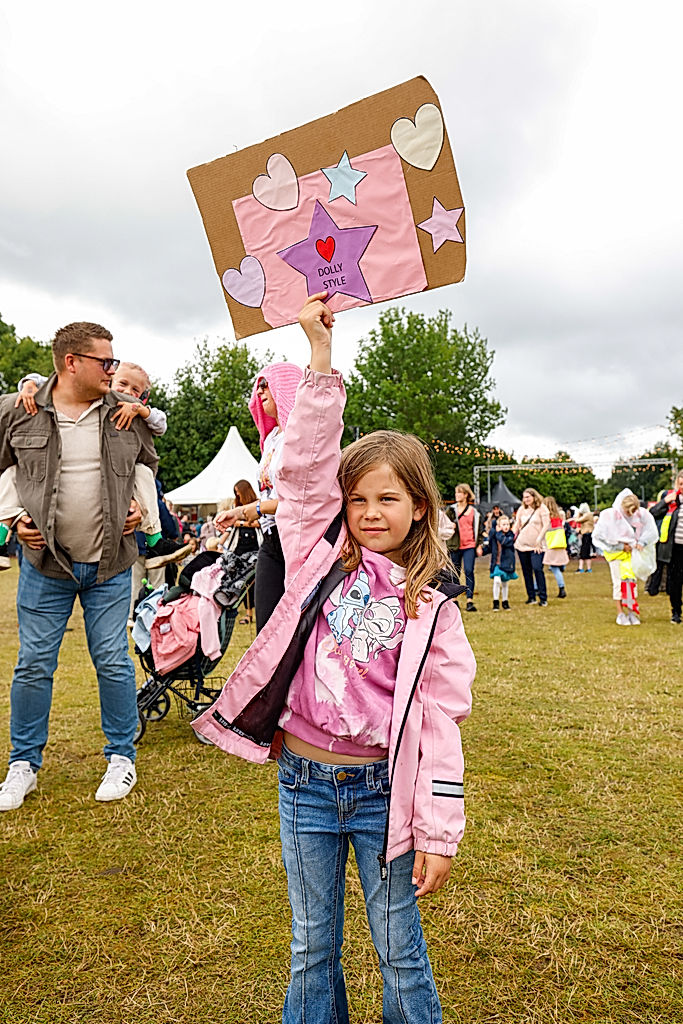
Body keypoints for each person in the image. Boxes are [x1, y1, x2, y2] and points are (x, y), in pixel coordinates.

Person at [193, 294, 476, 1024]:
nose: (370, 512)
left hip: (386, 795)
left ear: (421, 507)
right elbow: (306, 464)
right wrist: (317, 360)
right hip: (303, 788)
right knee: (311, 944)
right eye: (357, 499)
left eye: (389, 498)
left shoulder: (433, 606)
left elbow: (441, 722)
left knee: (397, 948)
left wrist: (438, 832)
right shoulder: (320, 557)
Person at [0, 322, 158, 812]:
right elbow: (4, 468)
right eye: (105, 362)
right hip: (45, 564)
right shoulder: (18, 410)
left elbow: (147, 466)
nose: (114, 370)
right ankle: (22, 765)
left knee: (111, 660)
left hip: (110, 564)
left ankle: (120, 756)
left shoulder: (126, 416)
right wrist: (10, 520)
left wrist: (140, 510)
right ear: (72, 363)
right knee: (33, 664)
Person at [214, 362, 303, 632]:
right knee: (266, 629)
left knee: (296, 630)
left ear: (286, 388)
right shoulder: (274, 437)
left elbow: (303, 501)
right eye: (258, 386)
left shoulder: (302, 438)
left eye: (266, 384)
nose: (259, 391)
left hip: (298, 541)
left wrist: (259, 509)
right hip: (272, 541)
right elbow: (271, 494)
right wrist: (239, 512)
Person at [592, 488, 658, 625]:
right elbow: (600, 537)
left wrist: (641, 542)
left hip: (631, 554)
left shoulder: (641, 515)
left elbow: (650, 531)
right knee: (618, 583)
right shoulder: (609, 516)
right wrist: (621, 546)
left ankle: (631, 612)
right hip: (616, 555)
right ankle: (620, 613)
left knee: (631, 583)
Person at [221, 479, 260, 625]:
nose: (237, 496)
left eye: (238, 493)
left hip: (255, 549)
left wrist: (241, 522)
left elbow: (258, 523)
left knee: (255, 584)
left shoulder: (258, 504)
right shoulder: (236, 506)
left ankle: (256, 614)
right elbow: (236, 524)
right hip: (239, 548)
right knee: (242, 583)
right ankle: (248, 614)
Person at [646, 471, 683, 623]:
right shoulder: (672, 501)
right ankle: (676, 612)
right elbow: (652, 513)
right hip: (674, 548)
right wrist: (665, 502)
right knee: (675, 581)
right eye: (680, 484)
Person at [445, 483, 484, 612]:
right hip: (454, 545)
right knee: (454, 573)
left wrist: (479, 545)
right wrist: (450, 526)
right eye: (456, 493)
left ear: (466, 494)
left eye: (459, 493)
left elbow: (479, 530)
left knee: (469, 571)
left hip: (469, 545)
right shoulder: (451, 510)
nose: (457, 495)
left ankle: (469, 600)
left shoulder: (474, 512)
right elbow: (443, 524)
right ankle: (454, 600)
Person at [513, 487, 550, 606]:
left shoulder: (542, 509)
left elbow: (546, 525)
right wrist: (509, 536)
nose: (526, 499)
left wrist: (539, 539)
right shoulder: (521, 509)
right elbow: (517, 525)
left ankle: (543, 597)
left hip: (537, 546)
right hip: (522, 545)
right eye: (524, 497)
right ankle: (531, 596)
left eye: (528, 497)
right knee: (526, 571)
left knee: (538, 568)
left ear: (534, 497)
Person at [542, 496, 569, 598]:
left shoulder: (546, 517)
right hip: (559, 543)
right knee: (556, 567)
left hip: (549, 544)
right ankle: (561, 588)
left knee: (545, 567)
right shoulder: (559, 516)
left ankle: (536, 587)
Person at [488, 514, 517, 609]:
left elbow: (504, 541)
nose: (506, 526)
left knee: (505, 583)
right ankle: (495, 601)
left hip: (506, 563)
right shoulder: (494, 535)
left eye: (507, 524)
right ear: (499, 526)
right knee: (497, 581)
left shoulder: (510, 536)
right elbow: (490, 546)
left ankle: (505, 601)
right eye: (504, 524)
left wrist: (497, 533)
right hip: (496, 563)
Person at [575, 502, 595, 572]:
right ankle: (588, 568)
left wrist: (578, 514)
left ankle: (581, 568)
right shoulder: (589, 515)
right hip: (587, 534)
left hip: (587, 535)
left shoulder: (587, 515)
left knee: (583, 551)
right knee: (586, 552)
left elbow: (577, 520)